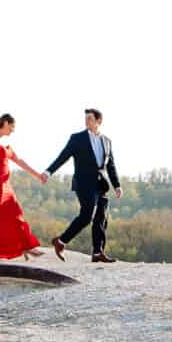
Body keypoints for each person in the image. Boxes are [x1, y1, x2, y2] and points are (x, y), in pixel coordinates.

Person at [0, 113, 51, 260]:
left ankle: (26, 246)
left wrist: (38, 175)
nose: (13, 131)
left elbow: (20, 161)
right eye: (12, 127)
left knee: (16, 213)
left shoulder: (7, 145)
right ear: (6, 123)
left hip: (6, 185)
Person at [47, 107, 121, 263]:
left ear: (99, 121)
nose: (87, 121)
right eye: (86, 118)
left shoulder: (106, 141)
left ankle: (97, 252)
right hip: (84, 184)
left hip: (101, 184)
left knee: (101, 218)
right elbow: (63, 156)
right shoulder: (77, 138)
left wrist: (117, 185)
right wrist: (48, 172)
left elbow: (110, 165)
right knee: (87, 216)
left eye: (90, 118)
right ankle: (61, 241)